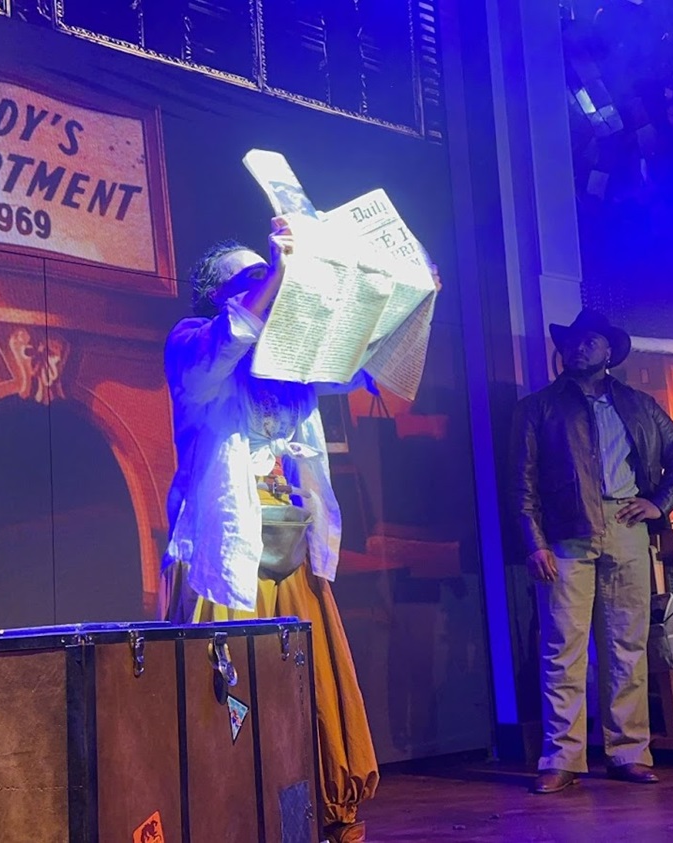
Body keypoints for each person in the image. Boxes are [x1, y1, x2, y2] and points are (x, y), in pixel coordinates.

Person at [161, 217, 435, 842]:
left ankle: (325, 808)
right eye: (250, 277)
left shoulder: (291, 359)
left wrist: (410, 295)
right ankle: (228, 815)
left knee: (308, 678)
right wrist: (279, 271)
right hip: (227, 546)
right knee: (227, 681)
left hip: (289, 541)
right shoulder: (192, 342)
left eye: (268, 273)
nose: (267, 282)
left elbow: (366, 359)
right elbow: (222, 347)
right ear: (217, 295)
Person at [509, 308, 673, 792]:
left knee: (626, 646)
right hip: (566, 532)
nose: (578, 348)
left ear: (609, 351)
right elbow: (522, 483)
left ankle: (628, 752)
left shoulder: (638, 404)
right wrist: (534, 542)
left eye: (588, 341)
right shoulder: (538, 408)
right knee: (562, 649)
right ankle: (561, 758)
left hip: (626, 527)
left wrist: (658, 503)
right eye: (571, 342)